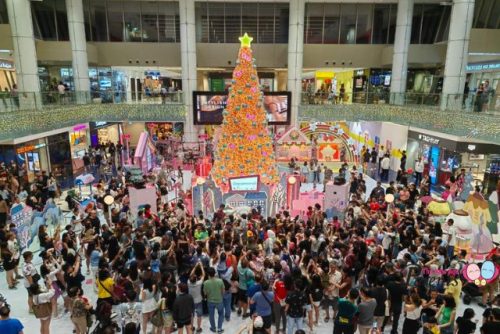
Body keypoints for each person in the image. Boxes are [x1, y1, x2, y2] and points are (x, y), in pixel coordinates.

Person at [203, 267, 225, 333]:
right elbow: (223, 291)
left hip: (210, 301)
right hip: (219, 300)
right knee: (221, 314)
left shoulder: (206, 283)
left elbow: (205, 293)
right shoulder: (220, 281)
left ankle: (213, 328)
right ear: (215, 273)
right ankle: (219, 328)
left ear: (208, 274)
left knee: (211, 315)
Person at [188, 262, 205, 333]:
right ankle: (198, 328)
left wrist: (195, 266)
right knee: (199, 315)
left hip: (191, 301)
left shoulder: (188, 283)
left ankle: (192, 327)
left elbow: (190, 275)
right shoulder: (199, 283)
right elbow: (203, 275)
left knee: (191, 314)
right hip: (198, 301)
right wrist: (201, 266)